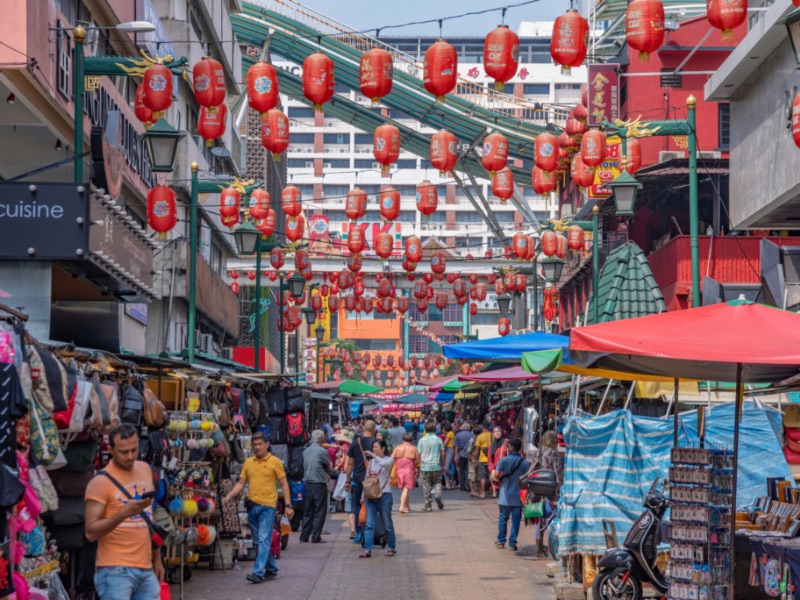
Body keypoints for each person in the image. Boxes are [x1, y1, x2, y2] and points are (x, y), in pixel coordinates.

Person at [85, 423, 164, 599]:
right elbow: (91, 532)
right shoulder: (100, 482)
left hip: (145, 568)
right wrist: (123, 514)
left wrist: (157, 559)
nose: (130, 456)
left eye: (133, 450)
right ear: (111, 450)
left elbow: (149, 520)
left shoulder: (145, 470)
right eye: (123, 452)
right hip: (114, 570)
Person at [222, 432, 294, 584]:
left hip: (268, 507)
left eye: (260, 444)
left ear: (267, 444)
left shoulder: (275, 462)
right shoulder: (248, 462)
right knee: (258, 540)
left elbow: (284, 484)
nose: (257, 447)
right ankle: (272, 568)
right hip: (252, 506)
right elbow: (241, 483)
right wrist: (229, 496)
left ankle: (258, 573)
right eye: (255, 445)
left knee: (263, 540)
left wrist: (288, 505)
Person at [359, 439, 397, 558]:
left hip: (384, 495)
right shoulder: (371, 462)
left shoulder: (389, 460)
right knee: (370, 524)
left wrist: (373, 455)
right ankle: (367, 550)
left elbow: (384, 464)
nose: (374, 449)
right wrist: (362, 495)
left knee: (387, 523)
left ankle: (391, 547)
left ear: (383, 448)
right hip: (371, 496)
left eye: (376, 447)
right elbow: (367, 478)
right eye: (373, 447)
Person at [492, 438, 530, 551]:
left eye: (508, 446)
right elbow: (526, 479)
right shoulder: (524, 463)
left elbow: (496, 474)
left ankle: (501, 541)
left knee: (503, 518)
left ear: (512, 447)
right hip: (518, 497)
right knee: (516, 520)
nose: (507, 448)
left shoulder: (504, 460)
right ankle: (512, 543)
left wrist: (499, 481)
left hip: (505, 496)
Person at [344, 418, 376, 543]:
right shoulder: (377, 442)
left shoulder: (355, 442)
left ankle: (358, 532)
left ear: (363, 428)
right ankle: (370, 532)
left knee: (357, 505)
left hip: (357, 478)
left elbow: (350, 463)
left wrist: (347, 480)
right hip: (372, 480)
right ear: (374, 429)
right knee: (372, 506)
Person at [300, 430, 331, 544]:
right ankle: (316, 536)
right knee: (319, 511)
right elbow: (327, 466)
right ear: (322, 439)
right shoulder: (322, 451)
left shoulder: (306, 451)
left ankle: (304, 536)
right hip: (318, 483)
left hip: (308, 483)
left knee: (308, 511)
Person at [417, 420, 445, 512]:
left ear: (425, 429)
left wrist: (417, 465)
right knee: (437, 482)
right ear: (434, 429)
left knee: (426, 486)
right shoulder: (438, 439)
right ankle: (437, 495)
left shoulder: (422, 440)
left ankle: (428, 506)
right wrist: (443, 465)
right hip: (436, 465)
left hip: (425, 467)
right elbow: (443, 453)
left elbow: (418, 454)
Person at [391, 433, 420, 513]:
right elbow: (417, 460)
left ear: (402, 439)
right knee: (406, 488)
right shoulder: (414, 448)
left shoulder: (397, 448)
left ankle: (407, 506)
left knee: (404, 488)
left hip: (399, 470)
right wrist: (416, 467)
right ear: (411, 440)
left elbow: (391, 458)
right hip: (409, 470)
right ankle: (401, 506)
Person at [487, 426, 509, 499]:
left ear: (501, 432)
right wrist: (492, 470)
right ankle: (494, 492)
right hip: (496, 469)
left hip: (505, 468)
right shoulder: (491, 446)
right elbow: (490, 460)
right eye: (495, 431)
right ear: (493, 433)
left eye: (498, 431)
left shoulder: (506, 442)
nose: (497, 433)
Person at [474, 423, 493, 498]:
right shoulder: (492, 435)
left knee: (482, 477)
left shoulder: (479, 436)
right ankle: (493, 491)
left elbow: (477, 448)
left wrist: (475, 458)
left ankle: (483, 493)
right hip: (490, 458)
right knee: (491, 475)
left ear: (482, 428)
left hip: (482, 458)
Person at [454, 422, 474, 492]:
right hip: (469, 455)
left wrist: (456, 455)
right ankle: (467, 485)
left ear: (463, 427)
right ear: (468, 428)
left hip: (461, 454)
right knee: (468, 471)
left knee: (461, 471)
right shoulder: (472, 435)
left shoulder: (458, 435)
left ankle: (462, 485)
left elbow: (456, 446)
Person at [441, 421, 456, 489]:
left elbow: (445, 443)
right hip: (447, 450)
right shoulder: (450, 433)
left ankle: (453, 479)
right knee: (445, 468)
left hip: (449, 449)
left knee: (446, 468)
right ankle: (448, 484)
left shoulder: (450, 433)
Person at [467, 426, 481, 497]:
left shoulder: (479, 439)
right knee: (472, 475)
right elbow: (468, 452)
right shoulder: (472, 440)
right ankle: (472, 491)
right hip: (472, 459)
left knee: (478, 476)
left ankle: (479, 490)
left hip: (479, 459)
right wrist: (473, 460)